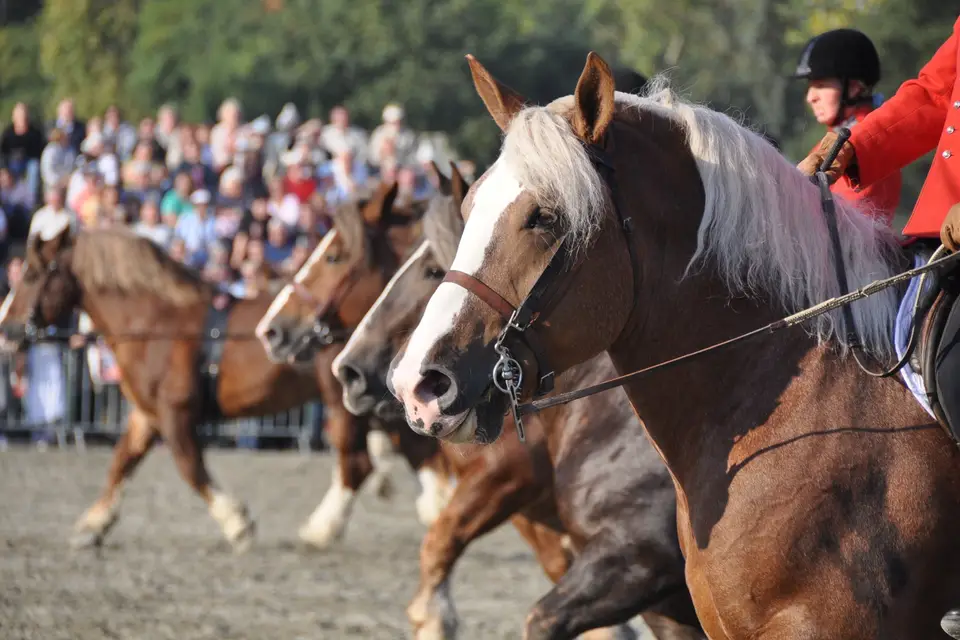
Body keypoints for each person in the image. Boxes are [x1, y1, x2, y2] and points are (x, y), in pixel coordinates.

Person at [796, 17, 960, 637]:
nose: (811, 93)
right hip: (944, 231)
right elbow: (929, 95)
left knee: (954, 362)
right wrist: (857, 146)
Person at [794, 28, 901, 225]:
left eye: (821, 85)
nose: (811, 97)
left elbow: (838, 222)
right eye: (810, 86)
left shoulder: (863, 143)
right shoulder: (832, 142)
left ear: (854, 87)